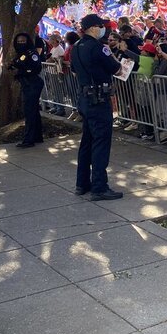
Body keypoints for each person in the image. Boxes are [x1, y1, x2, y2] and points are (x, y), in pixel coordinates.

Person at [71, 14, 123, 201]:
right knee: (101, 143)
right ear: (93, 28)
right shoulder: (99, 48)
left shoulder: (76, 47)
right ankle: (99, 186)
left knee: (87, 141)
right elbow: (116, 69)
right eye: (101, 26)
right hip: (98, 100)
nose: (104, 30)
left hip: (84, 99)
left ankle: (82, 183)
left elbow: (76, 71)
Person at [8, 32, 44, 148]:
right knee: (33, 111)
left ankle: (29, 139)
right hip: (27, 84)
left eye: (23, 41)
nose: (21, 44)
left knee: (29, 111)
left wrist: (22, 69)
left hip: (32, 83)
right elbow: (16, 64)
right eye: (19, 42)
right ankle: (37, 136)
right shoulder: (21, 54)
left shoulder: (32, 53)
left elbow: (35, 67)